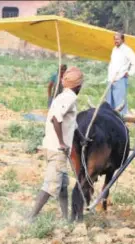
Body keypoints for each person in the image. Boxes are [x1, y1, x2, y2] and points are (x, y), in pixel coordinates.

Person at [28, 66, 84, 222]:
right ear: (79, 86)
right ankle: (30, 217)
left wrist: (81, 137)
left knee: (63, 185)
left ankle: (66, 218)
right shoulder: (69, 98)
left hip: (51, 146)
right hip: (57, 149)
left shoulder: (62, 96)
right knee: (51, 185)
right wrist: (62, 143)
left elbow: (71, 123)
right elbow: (55, 119)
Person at [106, 32, 135, 116]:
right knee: (109, 103)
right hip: (111, 79)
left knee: (120, 103)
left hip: (120, 79)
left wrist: (130, 72)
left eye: (117, 39)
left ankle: (121, 121)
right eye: (115, 39)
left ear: (122, 40)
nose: (115, 41)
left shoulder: (127, 50)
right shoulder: (114, 49)